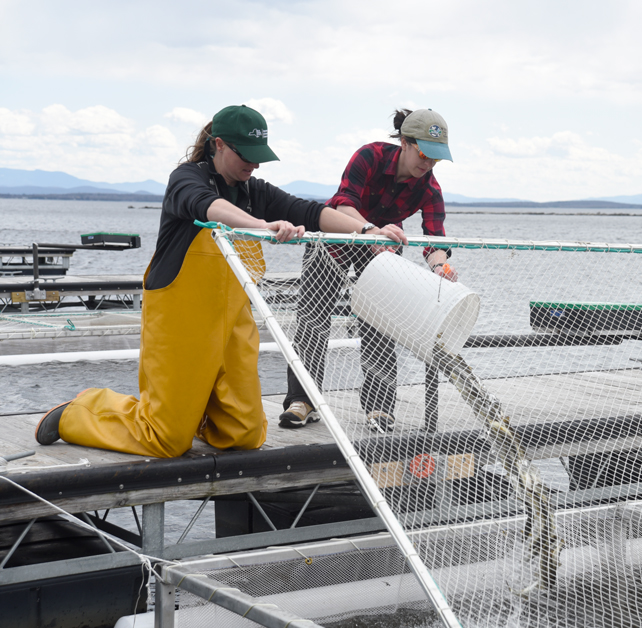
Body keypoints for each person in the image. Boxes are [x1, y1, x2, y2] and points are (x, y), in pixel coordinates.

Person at [34, 104, 405, 457]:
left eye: (259, 154)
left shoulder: (253, 190)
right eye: (245, 154)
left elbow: (312, 212)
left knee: (244, 435)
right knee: (164, 439)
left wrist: (369, 231)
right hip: (181, 320)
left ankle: (189, 415)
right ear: (219, 145)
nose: (254, 163)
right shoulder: (187, 178)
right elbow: (206, 207)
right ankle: (81, 411)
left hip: (233, 322)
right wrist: (262, 226)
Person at [280, 108, 456, 433]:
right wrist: (370, 231)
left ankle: (379, 407)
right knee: (313, 319)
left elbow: (434, 239)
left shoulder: (429, 188)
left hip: (383, 248)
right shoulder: (370, 156)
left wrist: (441, 266)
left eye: (436, 159)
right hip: (335, 236)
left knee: (381, 325)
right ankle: (302, 401)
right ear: (404, 142)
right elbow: (344, 203)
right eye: (423, 154)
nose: (428, 165)